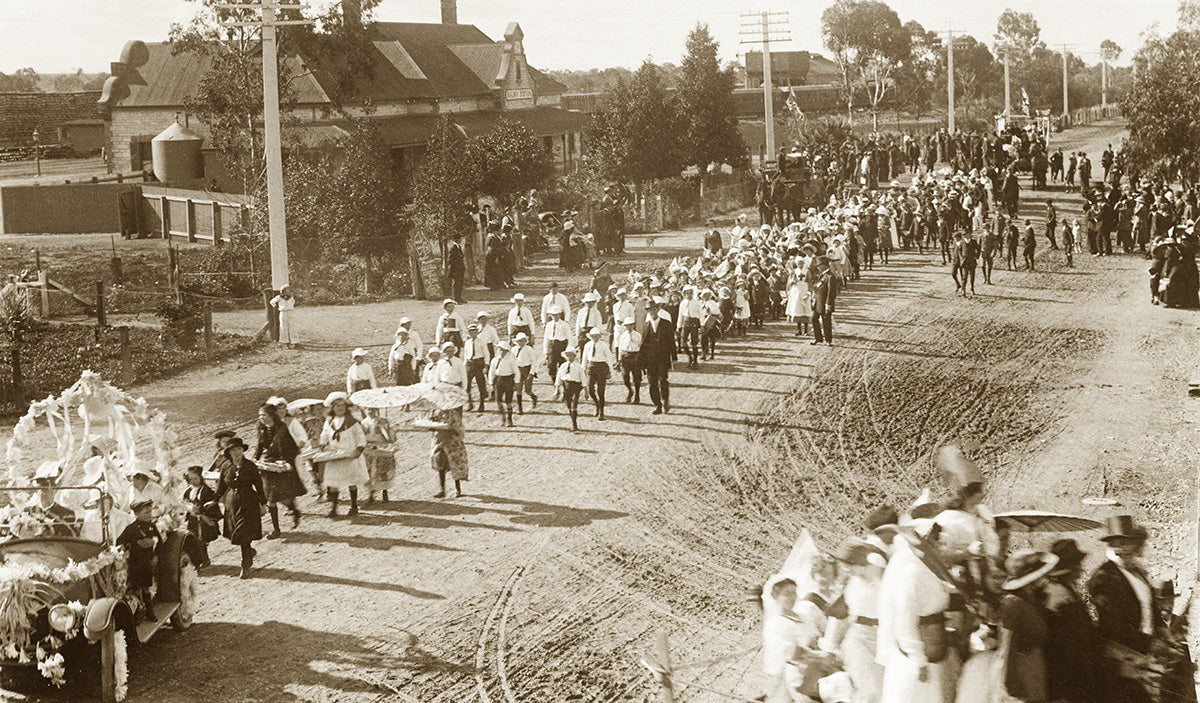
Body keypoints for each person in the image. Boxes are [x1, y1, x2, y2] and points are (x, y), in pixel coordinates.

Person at [1043, 539, 1101, 703]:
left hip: (1066, 675)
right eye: (1078, 566)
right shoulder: (1061, 597)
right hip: (1067, 678)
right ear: (1071, 569)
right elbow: (1073, 644)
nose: (1082, 570)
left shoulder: (1061, 589)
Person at [999, 549, 1057, 702]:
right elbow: (1008, 645)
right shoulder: (1013, 604)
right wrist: (1010, 680)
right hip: (1023, 665)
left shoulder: (1029, 602)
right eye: (1042, 575)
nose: (1045, 579)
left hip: (1034, 663)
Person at [209, 437, 266, 579]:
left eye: (239, 449)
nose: (237, 453)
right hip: (232, 502)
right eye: (234, 450)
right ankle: (248, 551)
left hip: (249, 502)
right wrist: (214, 501)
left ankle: (245, 563)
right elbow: (221, 487)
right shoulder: (226, 466)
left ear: (243, 450)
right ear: (228, 452)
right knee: (238, 534)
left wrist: (263, 504)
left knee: (243, 532)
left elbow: (259, 486)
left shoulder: (250, 466)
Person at [253, 403, 305, 538]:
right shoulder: (262, 429)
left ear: (271, 416)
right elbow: (259, 446)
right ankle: (293, 509)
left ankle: (277, 530)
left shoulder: (282, 428)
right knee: (274, 497)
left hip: (281, 466)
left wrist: (284, 461)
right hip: (268, 466)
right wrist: (254, 459)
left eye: (263, 415)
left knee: (273, 498)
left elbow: (290, 447)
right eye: (260, 416)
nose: (261, 418)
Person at [318, 392, 369, 518]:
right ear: (332, 408)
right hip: (334, 455)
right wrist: (323, 444)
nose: (341, 408)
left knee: (351, 481)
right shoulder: (329, 421)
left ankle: (353, 506)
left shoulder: (352, 422)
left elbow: (361, 437)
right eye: (337, 406)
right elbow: (324, 435)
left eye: (342, 405)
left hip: (349, 455)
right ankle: (334, 509)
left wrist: (359, 449)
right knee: (333, 482)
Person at [116, 499, 161, 620]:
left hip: (148, 561)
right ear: (137, 514)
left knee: (146, 587)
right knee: (134, 586)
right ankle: (137, 612)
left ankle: (149, 611)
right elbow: (121, 541)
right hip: (135, 562)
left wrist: (156, 555)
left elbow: (159, 541)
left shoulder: (152, 527)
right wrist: (125, 547)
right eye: (146, 512)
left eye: (150, 512)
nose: (150, 514)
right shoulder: (131, 528)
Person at [182, 465, 220, 569]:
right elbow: (184, 501)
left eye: (196, 478)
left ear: (200, 478)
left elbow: (210, 505)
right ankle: (198, 560)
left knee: (201, 540)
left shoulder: (206, 491)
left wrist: (203, 513)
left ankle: (204, 559)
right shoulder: (188, 490)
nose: (193, 481)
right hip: (193, 519)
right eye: (191, 479)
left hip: (203, 520)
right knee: (193, 540)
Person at [642, 297, 675, 414]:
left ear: (658, 310)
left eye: (654, 309)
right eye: (650, 310)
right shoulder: (645, 326)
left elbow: (671, 341)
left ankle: (665, 400)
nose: (652, 312)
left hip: (663, 357)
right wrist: (641, 361)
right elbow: (643, 344)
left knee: (663, 380)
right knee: (652, 382)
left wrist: (674, 358)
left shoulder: (666, 324)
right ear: (647, 312)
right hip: (650, 359)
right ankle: (657, 404)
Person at [360, 408, 395, 504]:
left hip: (380, 445)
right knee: (370, 470)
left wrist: (384, 428)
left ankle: (385, 493)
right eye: (368, 409)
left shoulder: (382, 421)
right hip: (369, 447)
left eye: (371, 409)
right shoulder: (363, 422)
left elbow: (388, 436)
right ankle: (371, 493)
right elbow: (361, 436)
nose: (369, 411)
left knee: (382, 470)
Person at [582, 328, 614, 421]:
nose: (594, 338)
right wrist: (583, 369)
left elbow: (609, 358)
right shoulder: (587, 345)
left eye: (596, 336)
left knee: (601, 391)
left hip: (601, 367)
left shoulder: (603, 345)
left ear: (599, 336)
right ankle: (597, 405)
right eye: (592, 336)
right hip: (591, 367)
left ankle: (601, 412)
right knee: (590, 389)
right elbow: (584, 358)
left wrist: (610, 371)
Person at [488, 340, 520, 427]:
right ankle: (503, 418)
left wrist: (516, 383)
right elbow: (491, 372)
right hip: (499, 380)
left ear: (507, 351)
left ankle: (509, 419)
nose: (501, 352)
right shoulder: (494, 360)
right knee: (498, 400)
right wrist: (491, 383)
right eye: (499, 350)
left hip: (508, 380)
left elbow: (516, 372)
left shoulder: (510, 360)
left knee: (508, 401)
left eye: (503, 350)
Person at [543, 305, 573, 395]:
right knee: (551, 368)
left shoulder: (564, 325)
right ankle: (556, 387)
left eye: (557, 315)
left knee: (563, 368)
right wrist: (546, 352)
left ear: (560, 315)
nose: (555, 316)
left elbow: (569, 338)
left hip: (562, 346)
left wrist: (569, 351)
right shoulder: (549, 325)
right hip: (552, 347)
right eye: (553, 315)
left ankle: (565, 390)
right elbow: (546, 339)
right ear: (550, 315)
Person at [807, 249, 835, 346]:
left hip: (825, 303)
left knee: (826, 321)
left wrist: (828, 304)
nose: (818, 268)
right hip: (818, 302)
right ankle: (818, 338)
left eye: (819, 266)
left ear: (824, 265)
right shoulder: (821, 276)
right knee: (814, 319)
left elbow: (831, 293)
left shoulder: (830, 277)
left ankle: (828, 340)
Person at [462, 324, 491, 413]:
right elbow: (465, 355)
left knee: (481, 384)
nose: (473, 334)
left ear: (477, 332)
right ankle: (470, 403)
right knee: (467, 385)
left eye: (475, 332)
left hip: (479, 364)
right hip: (470, 364)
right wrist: (464, 366)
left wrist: (486, 366)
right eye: (471, 333)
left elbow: (487, 354)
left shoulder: (482, 341)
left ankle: (481, 404)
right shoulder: (467, 342)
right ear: (469, 333)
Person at [614, 317, 642, 404]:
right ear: (625, 326)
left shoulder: (638, 335)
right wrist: (619, 360)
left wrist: (641, 359)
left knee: (636, 378)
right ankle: (630, 391)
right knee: (625, 377)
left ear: (633, 325)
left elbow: (640, 347)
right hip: (625, 357)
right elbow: (620, 348)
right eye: (627, 325)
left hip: (635, 356)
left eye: (631, 325)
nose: (629, 327)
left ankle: (637, 395)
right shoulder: (622, 336)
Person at [512, 332, 538, 413]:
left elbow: (534, 361)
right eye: (519, 341)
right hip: (517, 370)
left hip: (527, 369)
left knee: (527, 390)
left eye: (523, 340)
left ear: (526, 341)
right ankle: (520, 408)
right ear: (516, 341)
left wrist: (532, 373)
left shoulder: (529, 349)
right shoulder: (513, 349)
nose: (521, 342)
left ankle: (533, 396)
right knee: (518, 389)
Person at [677, 286, 701, 369]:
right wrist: (678, 326)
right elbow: (680, 315)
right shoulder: (683, 303)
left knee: (694, 343)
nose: (689, 295)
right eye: (687, 293)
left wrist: (702, 325)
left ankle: (695, 361)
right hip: (685, 322)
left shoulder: (697, 302)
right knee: (683, 343)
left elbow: (701, 314)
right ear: (684, 294)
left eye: (690, 293)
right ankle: (690, 358)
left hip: (694, 322)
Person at [447, 238, 466, 303]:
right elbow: (450, 260)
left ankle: (459, 298)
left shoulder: (458, 247)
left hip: (460, 269)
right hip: (455, 269)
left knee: (460, 284)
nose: (461, 240)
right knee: (456, 284)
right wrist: (454, 269)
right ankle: (456, 298)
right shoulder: (453, 248)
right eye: (460, 239)